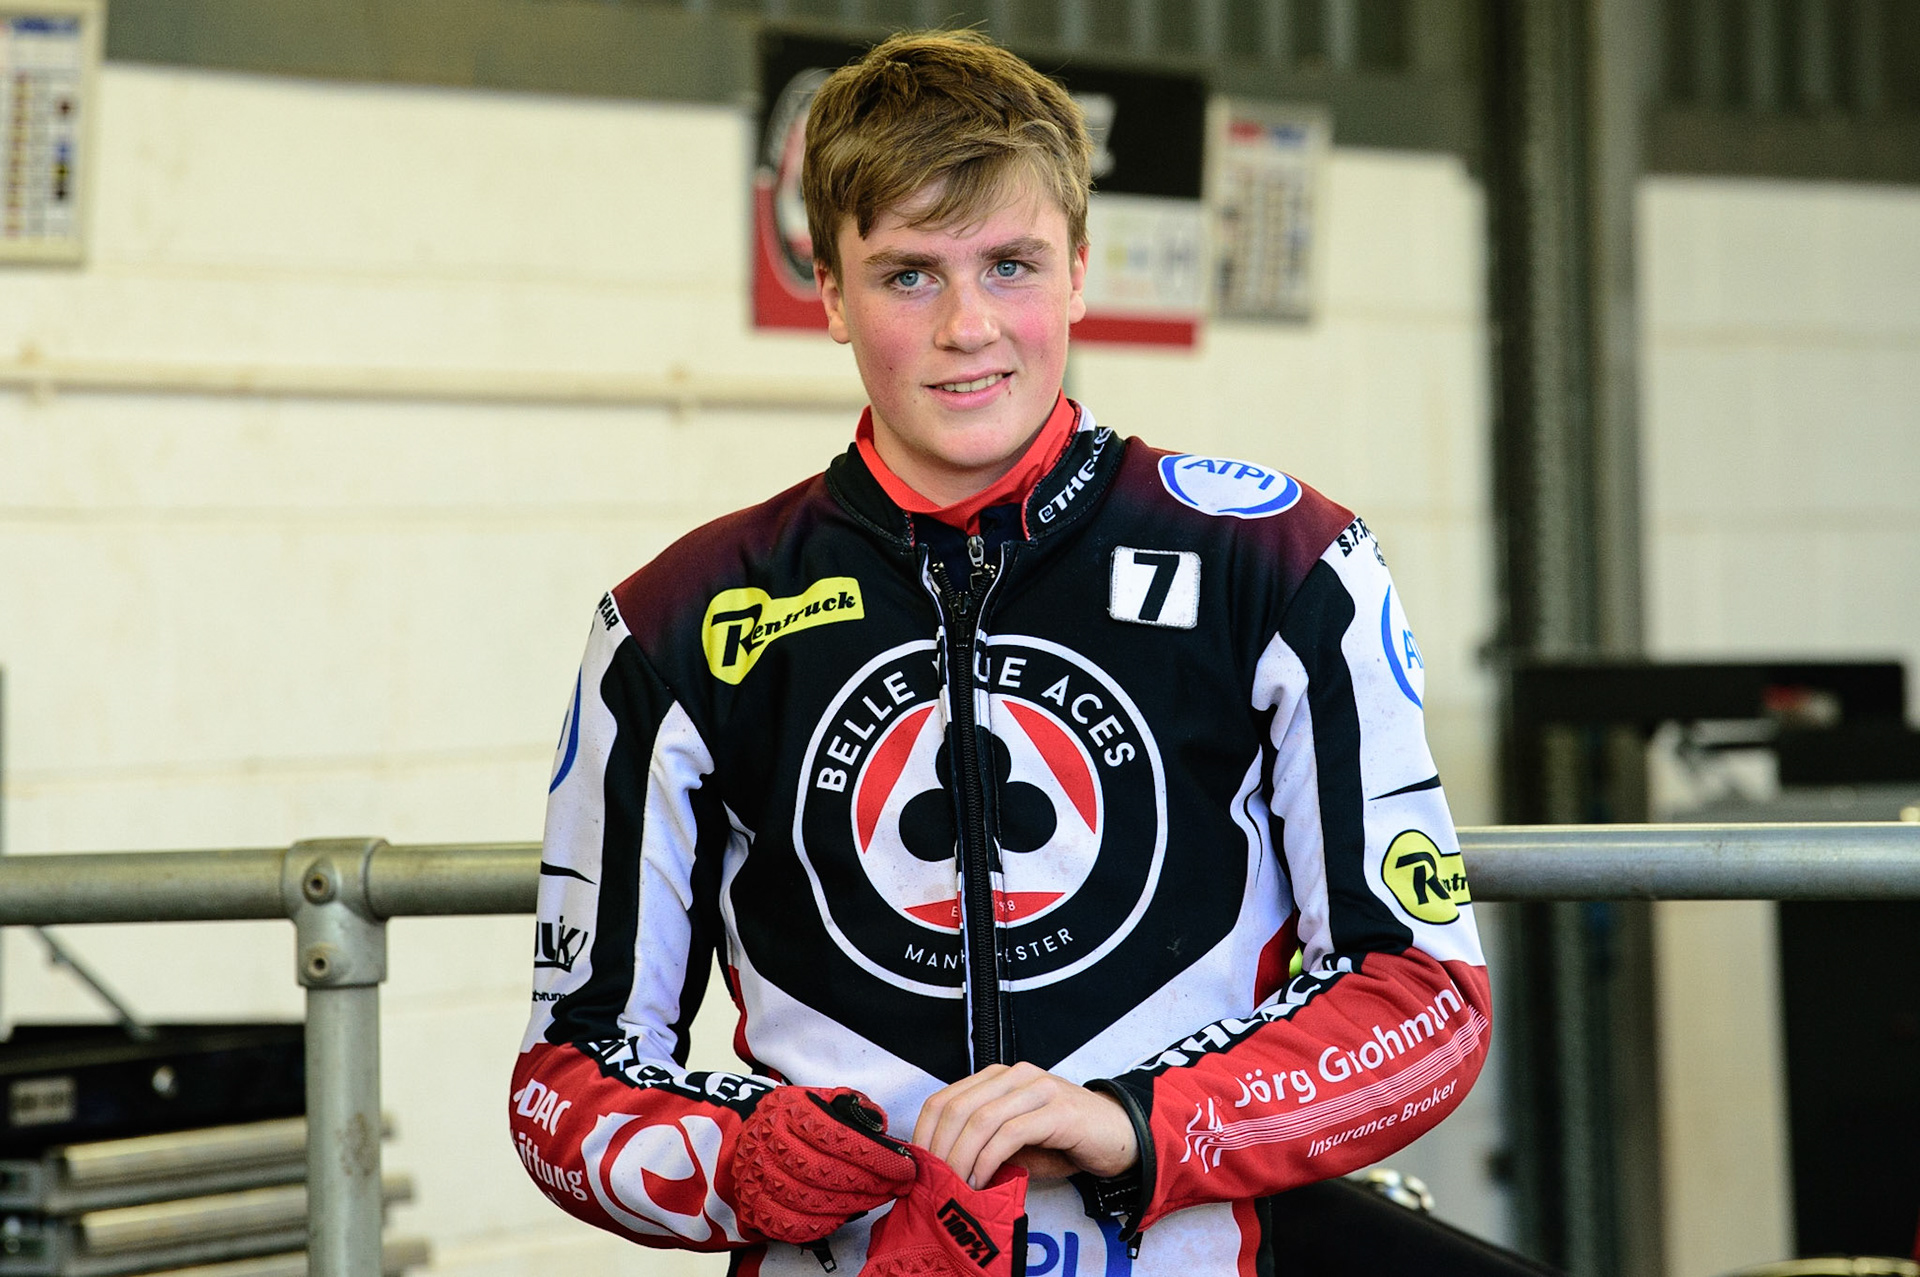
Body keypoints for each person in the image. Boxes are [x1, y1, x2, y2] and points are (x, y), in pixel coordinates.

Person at [510, 29, 1490, 1277]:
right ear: (828, 294)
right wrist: (731, 1159)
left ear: (1081, 271)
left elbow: (1423, 1000)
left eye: (1011, 264)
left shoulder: (1286, 564)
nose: (971, 326)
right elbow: (566, 1072)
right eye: (909, 275)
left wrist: (1135, 1121)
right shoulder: (675, 619)